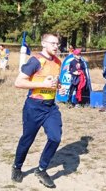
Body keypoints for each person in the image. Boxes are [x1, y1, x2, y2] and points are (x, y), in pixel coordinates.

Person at [11, 34, 66, 188]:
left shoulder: (57, 61)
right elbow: (19, 82)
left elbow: (54, 80)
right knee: (27, 139)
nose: (56, 46)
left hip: (50, 107)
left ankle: (41, 169)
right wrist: (43, 84)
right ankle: (17, 166)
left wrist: (59, 87)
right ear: (43, 43)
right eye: (53, 43)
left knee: (55, 138)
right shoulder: (35, 60)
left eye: (57, 43)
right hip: (34, 106)